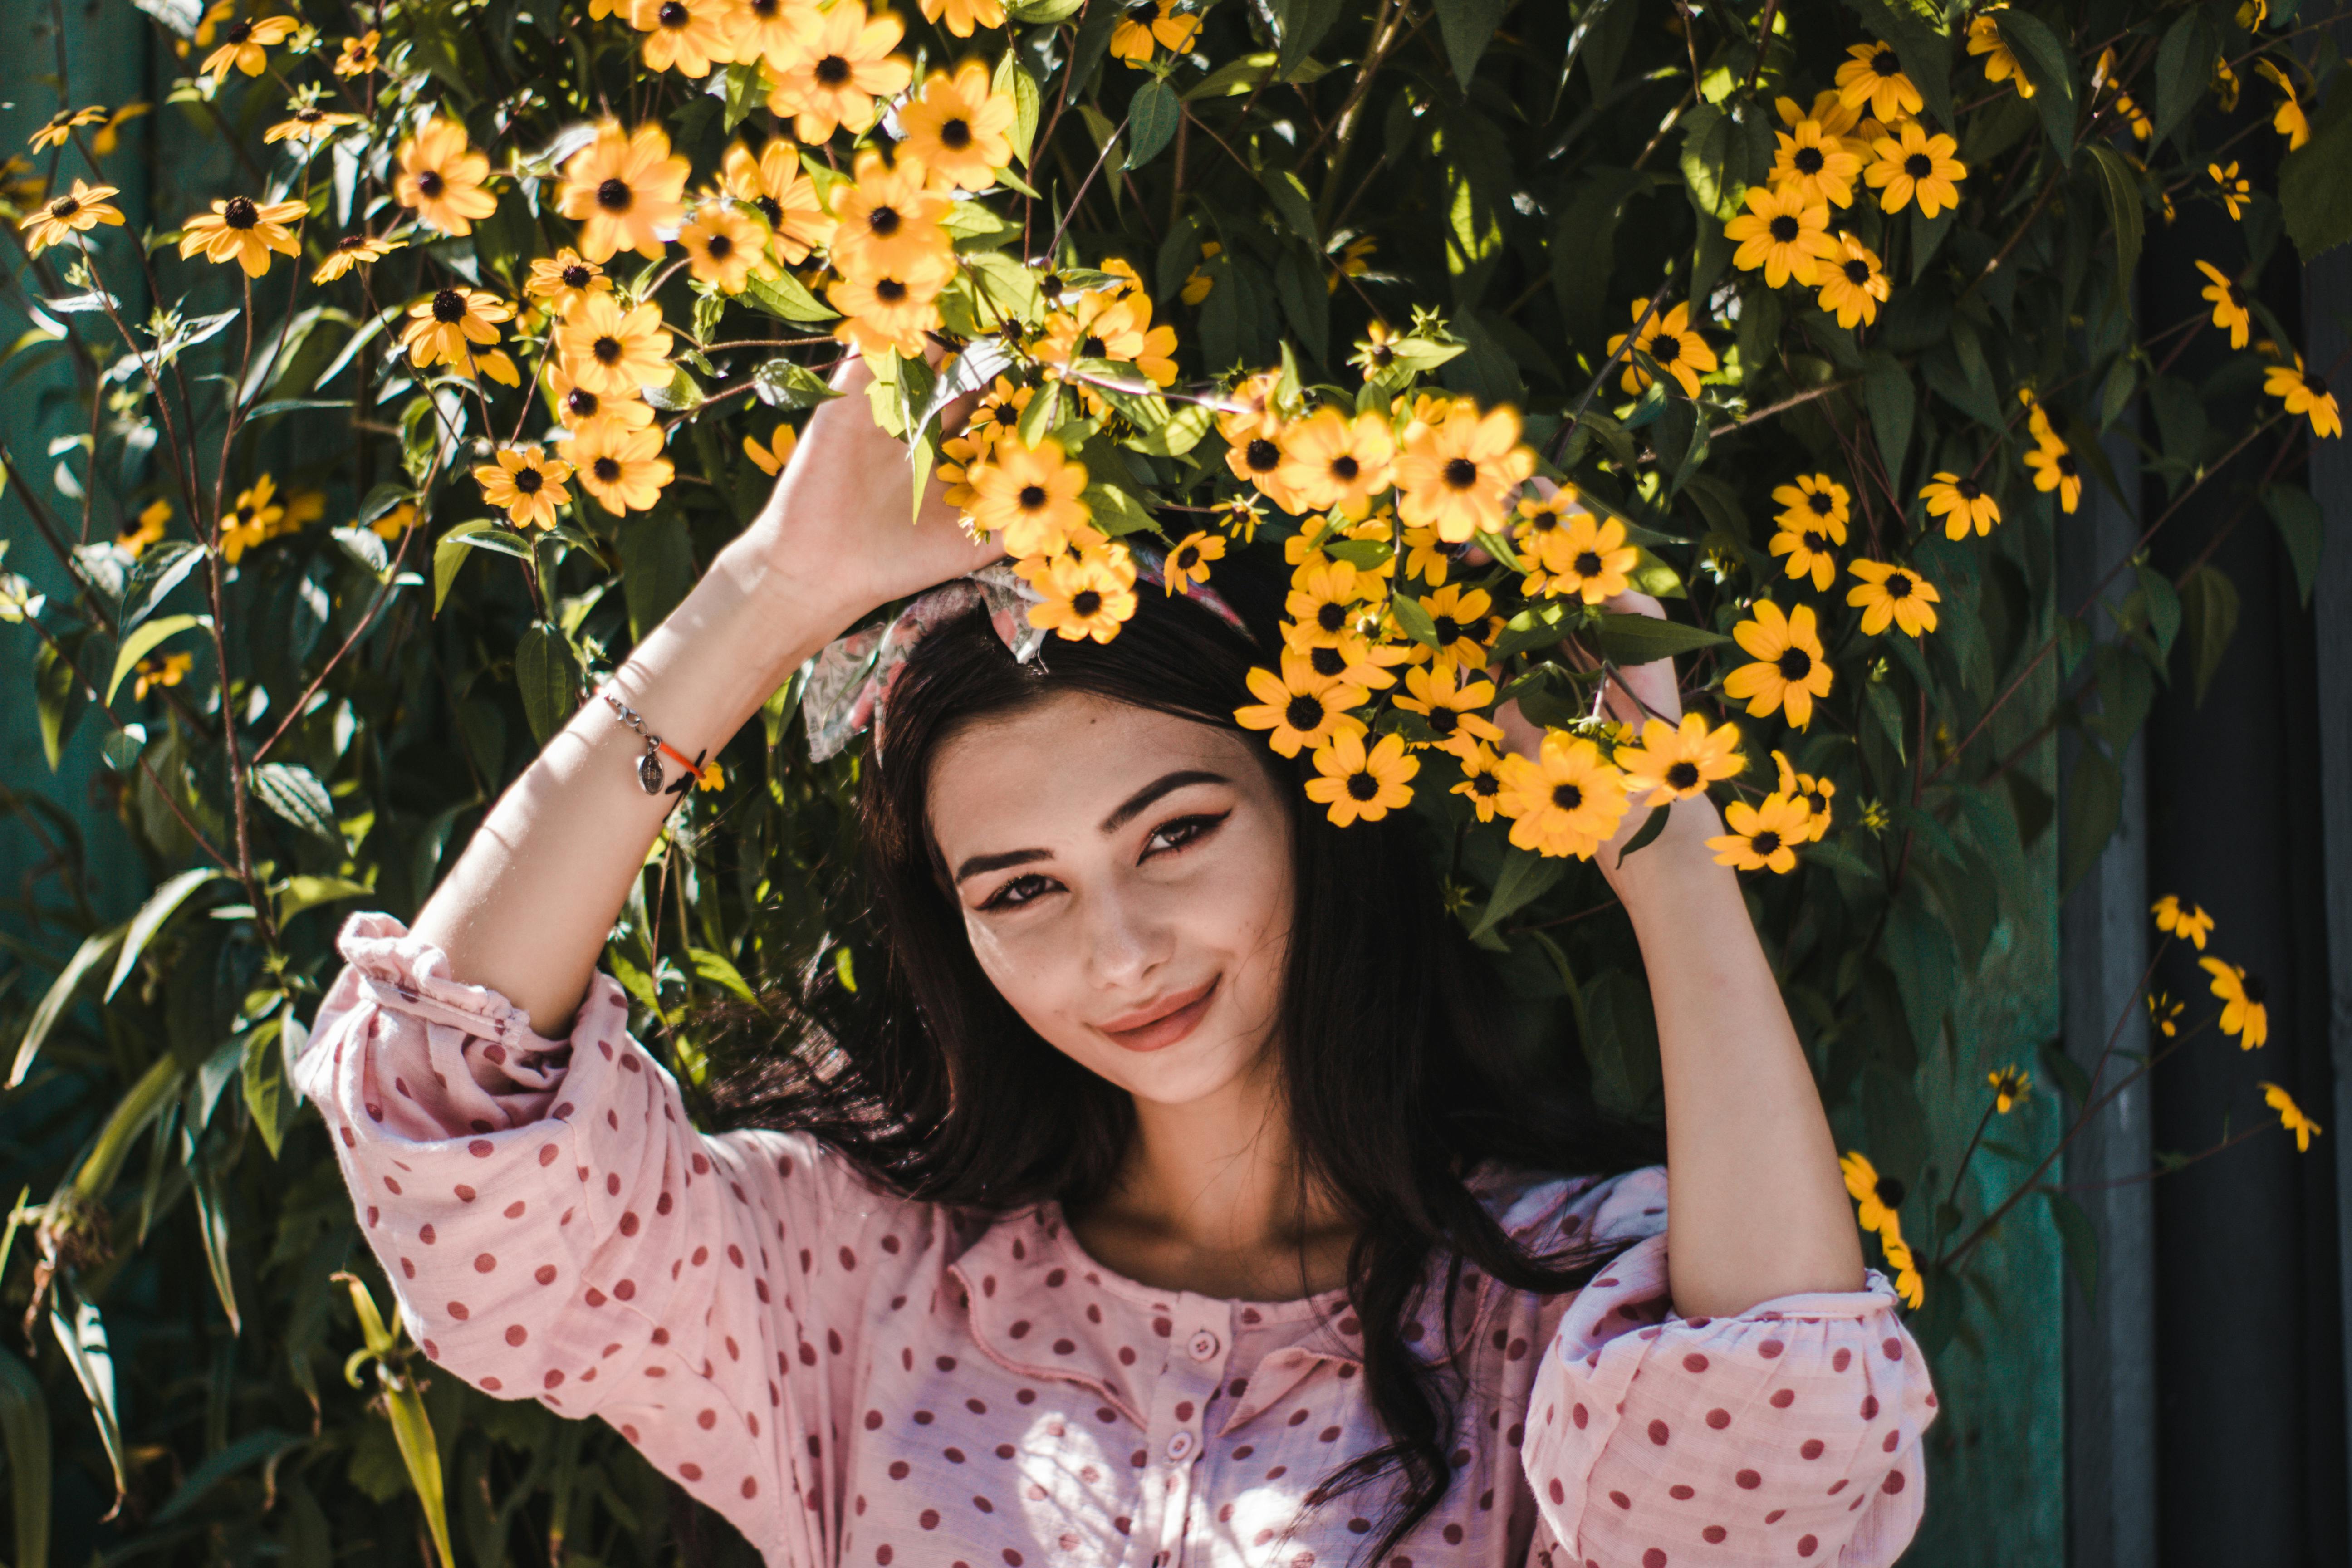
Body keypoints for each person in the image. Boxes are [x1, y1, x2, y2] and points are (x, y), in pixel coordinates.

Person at [294, 359, 1934, 1568]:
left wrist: (1662, 842)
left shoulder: (1553, 1303)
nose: (1119, 949)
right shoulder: (857, 1285)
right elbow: (450, 1134)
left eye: (1174, 835)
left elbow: (1775, 1483)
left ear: (1308, 809)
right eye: (1019, 891)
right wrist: (763, 598)